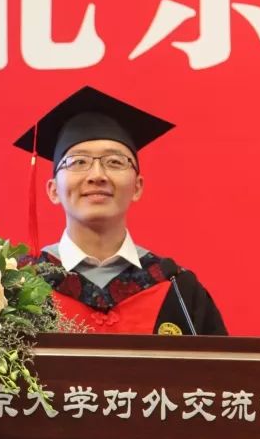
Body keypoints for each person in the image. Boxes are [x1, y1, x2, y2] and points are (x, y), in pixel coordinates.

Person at [14, 86, 227, 336]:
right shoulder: (17, 285)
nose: (97, 176)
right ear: (53, 190)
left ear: (137, 187)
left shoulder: (179, 289)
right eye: (78, 162)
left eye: (115, 162)